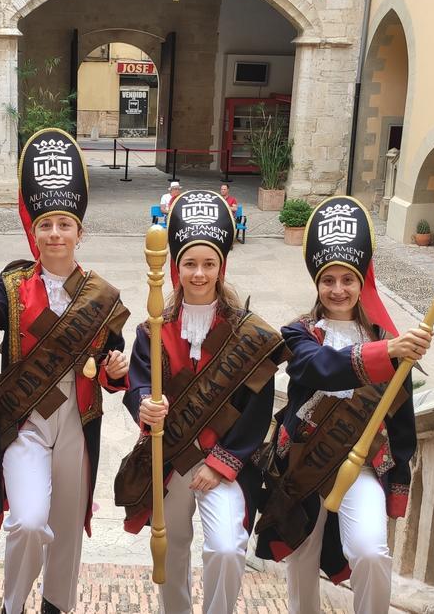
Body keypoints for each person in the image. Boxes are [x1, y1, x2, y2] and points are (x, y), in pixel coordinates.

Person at [0, 128, 131, 614]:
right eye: (46, 224)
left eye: (64, 225)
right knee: (28, 521)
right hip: (24, 420)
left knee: (68, 528)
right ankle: (13, 605)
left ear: (79, 233)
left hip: (78, 420)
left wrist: (116, 369)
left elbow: (115, 366)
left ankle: (57, 607)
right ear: (35, 231)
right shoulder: (9, 286)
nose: (54, 234)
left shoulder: (101, 295)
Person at [254, 196, 431, 614]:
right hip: (302, 461)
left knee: (369, 551)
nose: (337, 289)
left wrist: (400, 472)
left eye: (347, 280)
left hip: (361, 462)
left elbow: (401, 417)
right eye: (328, 280)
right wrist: (388, 351)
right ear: (316, 283)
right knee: (301, 557)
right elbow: (321, 369)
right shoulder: (298, 334)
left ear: (361, 281)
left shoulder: (385, 340)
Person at [114, 189, 285, 614]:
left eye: (209, 264)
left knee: (227, 549)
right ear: (176, 267)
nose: (199, 273)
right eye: (190, 263)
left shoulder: (248, 333)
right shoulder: (153, 330)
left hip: (222, 463)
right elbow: (137, 384)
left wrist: (222, 461)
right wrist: (142, 406)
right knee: (172, 550)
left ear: (221, 268)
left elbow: (259, 406)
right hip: (170, 457)